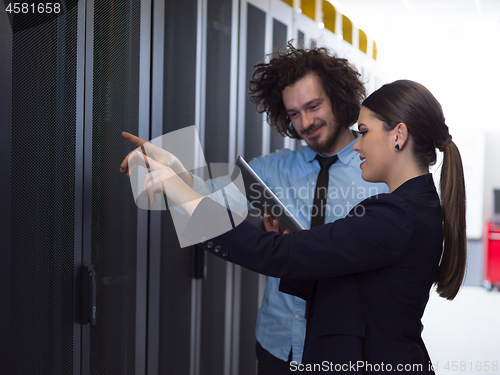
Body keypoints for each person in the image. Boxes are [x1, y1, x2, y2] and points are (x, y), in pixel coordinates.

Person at [131, 79, 467, 374]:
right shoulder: (412, 207)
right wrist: (181, 175)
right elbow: (360, 288)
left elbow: (279, 256)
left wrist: (177, 190)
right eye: (294, 112)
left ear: (399, 135)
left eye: (364, 132)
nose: (359, 144)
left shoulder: (396, 215)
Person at [120, 43, 387, 373]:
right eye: (293, 113)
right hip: (278, 341)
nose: (305, 122)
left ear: (338, 96)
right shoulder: (273, 168)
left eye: (313, 106)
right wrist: (175, 168)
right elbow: (212, 204)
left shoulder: (376, 173)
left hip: (346, 347)